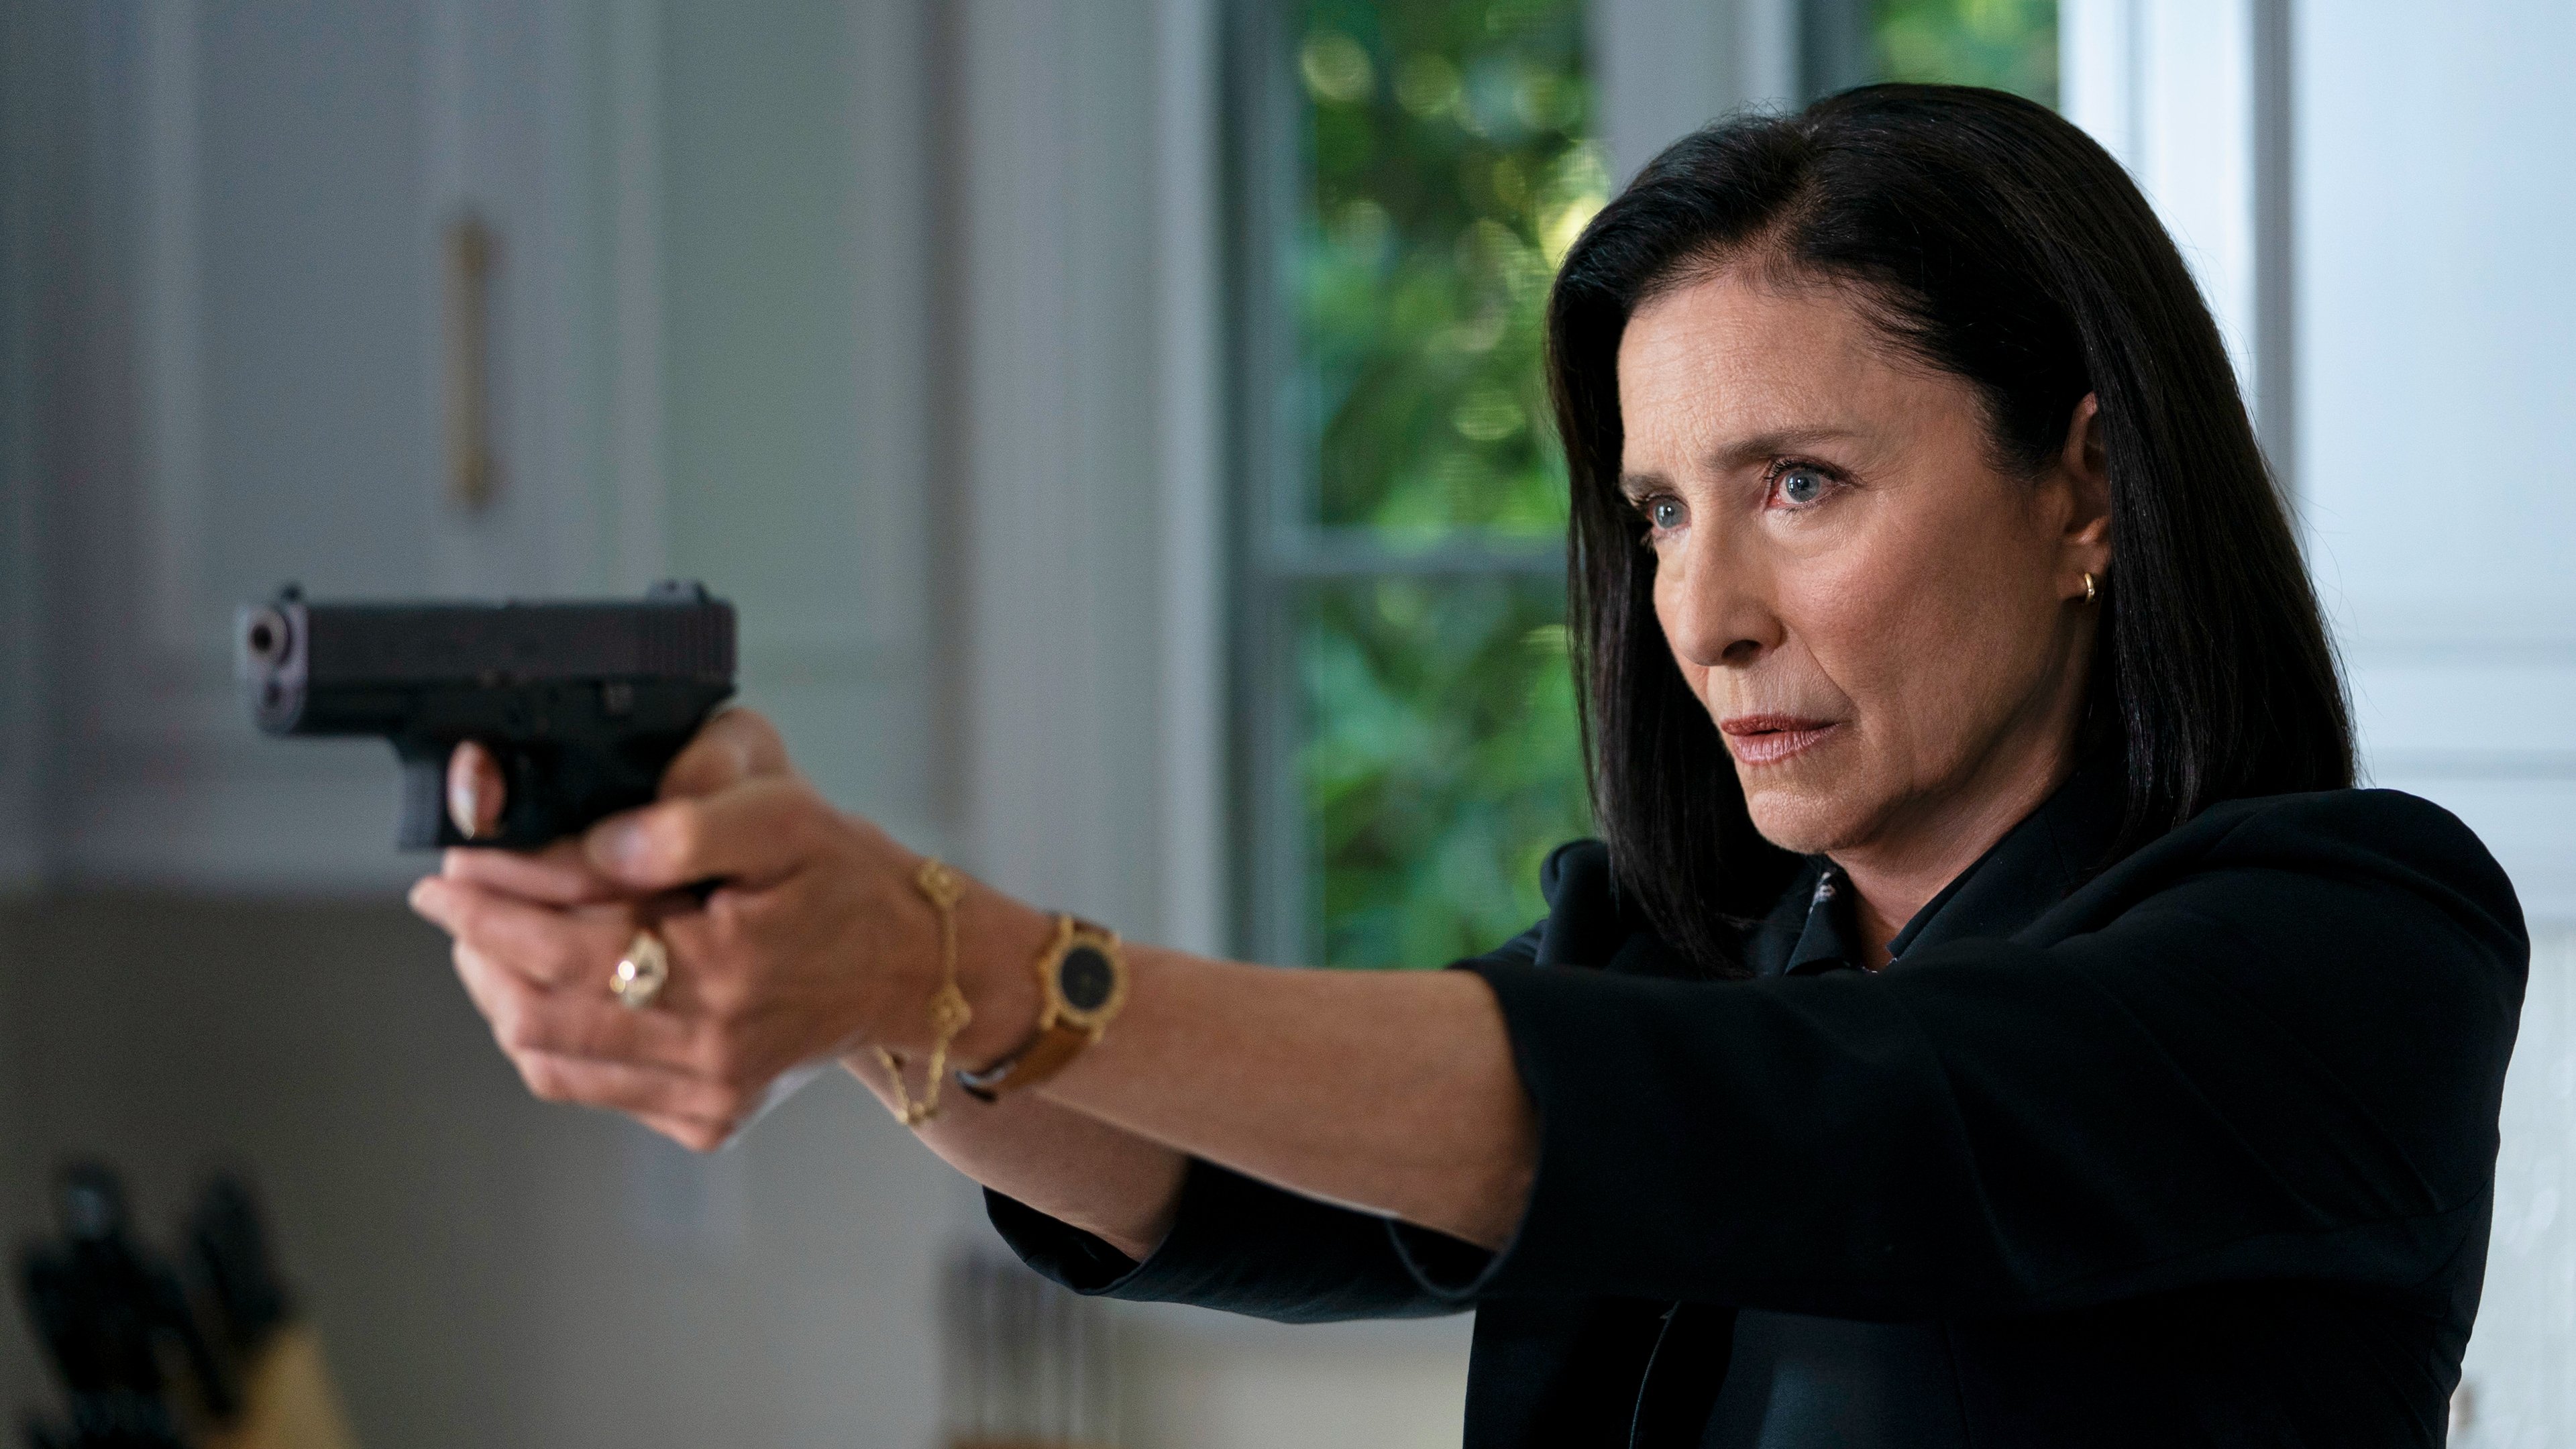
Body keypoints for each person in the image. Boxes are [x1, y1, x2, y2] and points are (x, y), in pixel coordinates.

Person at [405, 86, 2528, 1447]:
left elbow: (1825, 1127)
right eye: (1663, 514)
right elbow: (1216, 1177)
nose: (1704, 615)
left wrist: (949, 953)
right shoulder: (1692, 961)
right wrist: (855, 973)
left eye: (1800, 483)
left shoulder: (2348, 951)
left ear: (2088, 489)